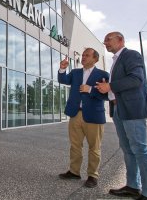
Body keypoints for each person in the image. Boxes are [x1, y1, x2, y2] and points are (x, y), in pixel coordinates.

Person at [95, 31, 147, 200]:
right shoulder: (116, 60)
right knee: (128, 150)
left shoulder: (131, 55)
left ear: (120, 40)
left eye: (109, 39)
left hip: (132, 110)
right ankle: (133, 186)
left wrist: (110, 86)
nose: (105, 42)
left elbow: (136, 80)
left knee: (140, 149)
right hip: (119, 111)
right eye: (105, 39)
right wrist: (104, 90)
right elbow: (116, 88)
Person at [57, 48, 109, 188]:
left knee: (94, 147)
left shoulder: (103, 74)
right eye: (83, 55)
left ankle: (93, 175)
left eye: (87, 55)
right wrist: (62, 69)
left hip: (94, 115)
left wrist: (90, 89)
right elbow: (63, 80)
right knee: (75, 145)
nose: (84, 57)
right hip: (75, 114)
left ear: (95, 59)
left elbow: (106, 95)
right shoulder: (75, 72)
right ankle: (74, 172)